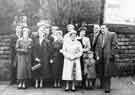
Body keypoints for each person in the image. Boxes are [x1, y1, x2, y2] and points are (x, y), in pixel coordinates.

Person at [94, 25, 119, 93]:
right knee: (101, 71)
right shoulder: (99, 36)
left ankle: (107, 88)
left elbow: (115, 46)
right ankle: (102, 85)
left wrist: (111, 54)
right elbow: (96, 47)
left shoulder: (112, 34)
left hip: (108, 57)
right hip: (100, 57)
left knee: (107, 72)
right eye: (101, 28)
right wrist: (97, 55)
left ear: (107, 28)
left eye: (103, 28)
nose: (102, 29)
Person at [40, 21, 54, 87]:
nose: (46, 31)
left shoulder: (51, 38)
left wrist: (51, 57)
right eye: (45, 30)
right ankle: (42, 82)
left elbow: (51, 49)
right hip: (42, 55)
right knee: (42, 69)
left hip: (48, 56)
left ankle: (48, 82)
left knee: (48, 69)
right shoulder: (40, 37)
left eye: (48, 30)